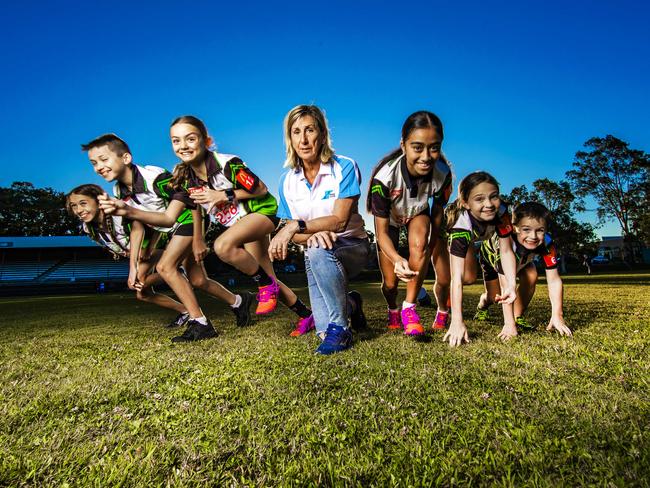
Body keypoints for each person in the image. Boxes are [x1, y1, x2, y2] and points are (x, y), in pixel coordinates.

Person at [85, 133, 253, 342]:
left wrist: (199, 238)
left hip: (190, 218)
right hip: (173, 227)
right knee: (198, 280)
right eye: (93, 163)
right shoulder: (119, 189)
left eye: (104, 159)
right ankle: (239, 301)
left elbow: (190, 198)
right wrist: (139, 260)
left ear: (126, 158)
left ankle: (200, 323)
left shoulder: (153, 178)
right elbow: (143, 223)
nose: (98, 167)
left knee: (166, 266)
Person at [165, 115, 314, 336]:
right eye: (176, 141)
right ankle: (306, 316)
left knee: (223, 246)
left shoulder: (227, 164)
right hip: (241, 225)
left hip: (261, 213)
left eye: (190, 139)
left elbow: (260, 189)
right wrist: (197, 239)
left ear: (206, 141)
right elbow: (196, 207)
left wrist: (222, 195)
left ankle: (265, 285)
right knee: (268, 277)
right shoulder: (188, 177)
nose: (183, 146)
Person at [270, 104, 370, 355]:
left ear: (322, 134)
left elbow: (339, 221)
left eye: (310, 130)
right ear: (289, 138)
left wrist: (298, 227)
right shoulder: (286, 181)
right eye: (296, 132)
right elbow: (293, 234)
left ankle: (342, 327)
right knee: (323, 331)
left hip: (352, 246)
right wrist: (308, 233)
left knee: (333, 329)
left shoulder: (344, 167)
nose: (303, 139)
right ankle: (351, 304)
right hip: (316, 254)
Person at [367, 111, 452, 335]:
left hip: (417, 212)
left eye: (434, 147)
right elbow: (381, 232)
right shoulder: (383, 180)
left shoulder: (443, 174)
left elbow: (437, 213)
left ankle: (409, 307)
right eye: (417, 147)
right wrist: (396, 259)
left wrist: (430, 245)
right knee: (391, 284)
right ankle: (393, 307)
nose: (426, 156)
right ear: (403, 145)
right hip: (391, 221)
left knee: (420, 243)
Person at [66, 183, 190, 327]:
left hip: (158, 246)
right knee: (142, 294)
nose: (78, 210)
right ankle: (185, 310)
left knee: (138, 281)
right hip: (139, 254)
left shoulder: (117, 212)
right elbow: (111, 241)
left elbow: (144, 226)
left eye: (83, 203)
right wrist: (117, 251)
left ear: (98, 200)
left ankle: (177, 272)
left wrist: (145, 251)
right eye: (74, 206)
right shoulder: (88, 227)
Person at [474, 202, 572, 339]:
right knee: (492, 296)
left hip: (523, 260)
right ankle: (482, 306)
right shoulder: (505, 242)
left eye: (540, 230)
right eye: (526, 229)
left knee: (531, 275)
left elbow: (554, 280)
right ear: (515, 228)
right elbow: (506, 285)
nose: (533, 236)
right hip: (491, 259)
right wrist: (508, 325)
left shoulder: (547, 243)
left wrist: (557, 315)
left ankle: (517, 316)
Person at [444, 171, 517, 346]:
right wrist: (457, 321)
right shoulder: (459, 225)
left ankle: (510, 321)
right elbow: (457, 278)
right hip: (456, 237)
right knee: (467, 277)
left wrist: (512, 285)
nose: (489, 204)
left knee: (499, 285)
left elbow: (506, 252)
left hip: (479, 237)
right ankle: (443, 306)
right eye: (479, 199)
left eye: (494, 197)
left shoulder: (501, 211)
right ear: (465, 203)